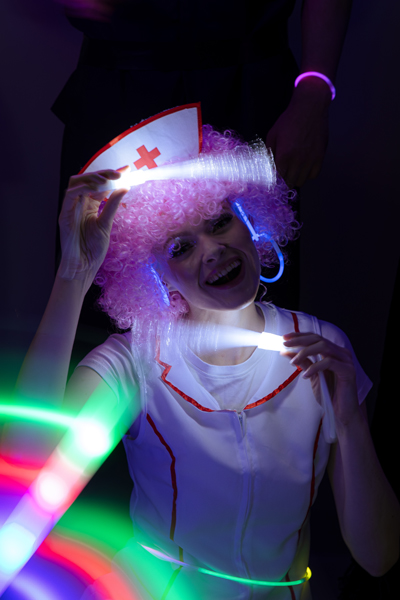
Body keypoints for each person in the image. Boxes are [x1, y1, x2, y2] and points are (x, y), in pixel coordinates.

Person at [13, 122, 399, 600]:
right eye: (180, 247)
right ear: (155, 274)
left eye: (219, 222)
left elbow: (378, 556)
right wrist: (73, 275)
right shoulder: (134, 361)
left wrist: (351, 422)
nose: (213, 250)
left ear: (250, 220)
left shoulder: (321, 348)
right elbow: (25, 462)